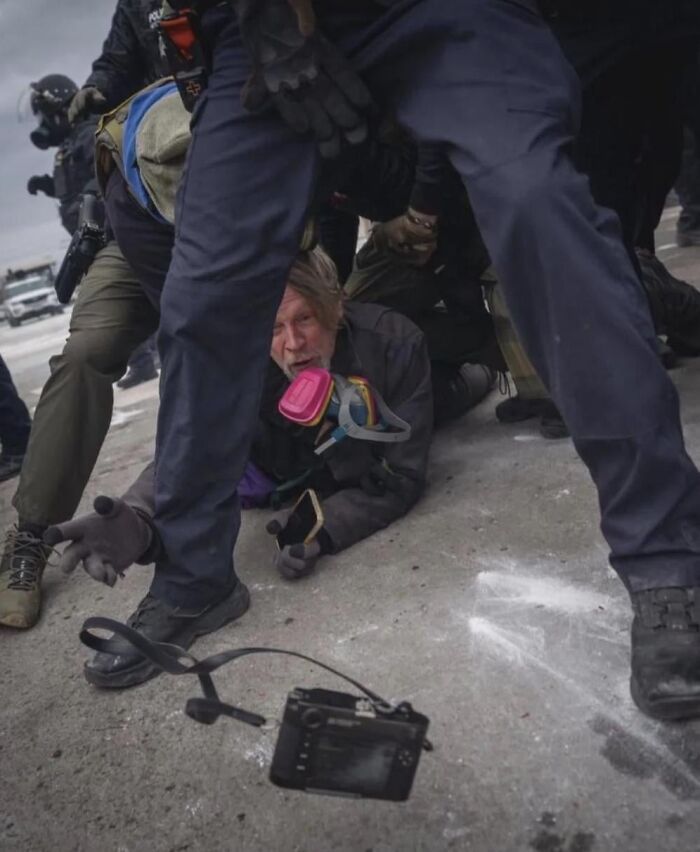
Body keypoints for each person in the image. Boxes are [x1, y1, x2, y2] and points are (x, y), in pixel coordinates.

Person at [112, 0, 700, 724]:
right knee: (202, 296)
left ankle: (669, 557)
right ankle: (192, 574)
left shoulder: (385, 338)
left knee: (538, 203)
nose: (291, 343)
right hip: (259, 32)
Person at [46, 248, 437, 687]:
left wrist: (325, 527)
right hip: (269, 465)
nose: (293, 343)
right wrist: (141, 514)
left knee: (460, 390)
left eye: (305, 319)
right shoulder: (241, 366)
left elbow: (399, 477)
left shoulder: (393, 344)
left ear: (335, 308)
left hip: (375, 436)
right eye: (274, 327)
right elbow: (195, 445)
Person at [25, 75, 97, 236]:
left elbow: (108, 178)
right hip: (88, 236)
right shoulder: (69, 146)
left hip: (107, 233)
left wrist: (89, 199)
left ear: (61, 111)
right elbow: (78, 185)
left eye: (43, 117)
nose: (42, 124)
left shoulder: (89, 136)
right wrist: (49, 186)